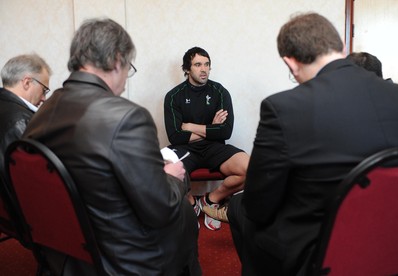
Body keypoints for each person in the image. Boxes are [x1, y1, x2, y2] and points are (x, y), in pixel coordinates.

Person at [203, 12, 398, 275]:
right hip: (390, 238)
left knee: (242, 207)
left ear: (291, 63)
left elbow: (260, 205)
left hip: (321, 251)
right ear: (341, 47)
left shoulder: (284, 108)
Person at [23, 18, 201, 276]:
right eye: (129, 68)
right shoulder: (127, 118)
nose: (126, 81)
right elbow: (160, 209)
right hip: (124, 257)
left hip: (64, 250)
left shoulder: (42, 112)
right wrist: (174, 179)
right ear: (117, 59)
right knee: (182, 210)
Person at [163, 47, 249, 231]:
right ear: (187, 69)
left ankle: (211, 200)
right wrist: (211, 127)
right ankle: (191, 203)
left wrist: (190, 126)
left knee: (250, 169)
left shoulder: (220, 92)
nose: (204, 69)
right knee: (165, 167)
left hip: (214, 147)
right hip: (186, 149)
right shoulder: (173, 96)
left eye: (207, 64)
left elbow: (225, 132)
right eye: (198, 64)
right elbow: (175, 136)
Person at [0, 53, 51, 190]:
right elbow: (31, 182)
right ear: (27, 82)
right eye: (44, 90)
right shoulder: (20, 121)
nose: (44, 99)